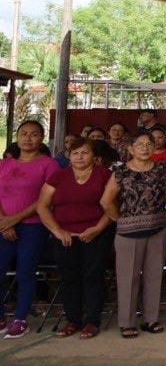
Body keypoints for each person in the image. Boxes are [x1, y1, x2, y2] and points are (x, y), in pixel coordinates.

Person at [36, 137, 112, 339]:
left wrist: (97, 228)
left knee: (93, 276)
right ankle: (72, 320)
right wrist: (57, 231)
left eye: (85, 152)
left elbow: (113, 206)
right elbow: (42, 206)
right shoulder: (59, 176)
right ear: (68, 156)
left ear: (94, 157)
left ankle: (92, 321)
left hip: (96, 234)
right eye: (75, 153)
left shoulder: (104, 175)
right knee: (69, 277)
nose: (80, 157)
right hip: (65, 236)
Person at [103, 132, 166, 338]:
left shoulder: (161, 169)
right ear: (130, 149)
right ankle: (127, 322)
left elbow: (164, 194)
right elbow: (106, 201)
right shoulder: (120, 172)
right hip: (128, 233)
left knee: (154, 275)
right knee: (128, 278)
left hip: (158, 229)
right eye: (139, 144)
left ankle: (151, 319)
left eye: (149, 144)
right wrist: (121, 221)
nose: (144, 147)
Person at [0, 120, 59, 338]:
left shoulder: (48, 164)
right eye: (23, 133)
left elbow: (45, 199)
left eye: (34, 134)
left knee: (25, 271)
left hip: (33, 226)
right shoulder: (4, 164)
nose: (28, 138)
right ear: (16, 136)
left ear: (41, 138)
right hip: (3, 226)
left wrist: (15, 219)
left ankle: (20, 318)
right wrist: (4, 221)